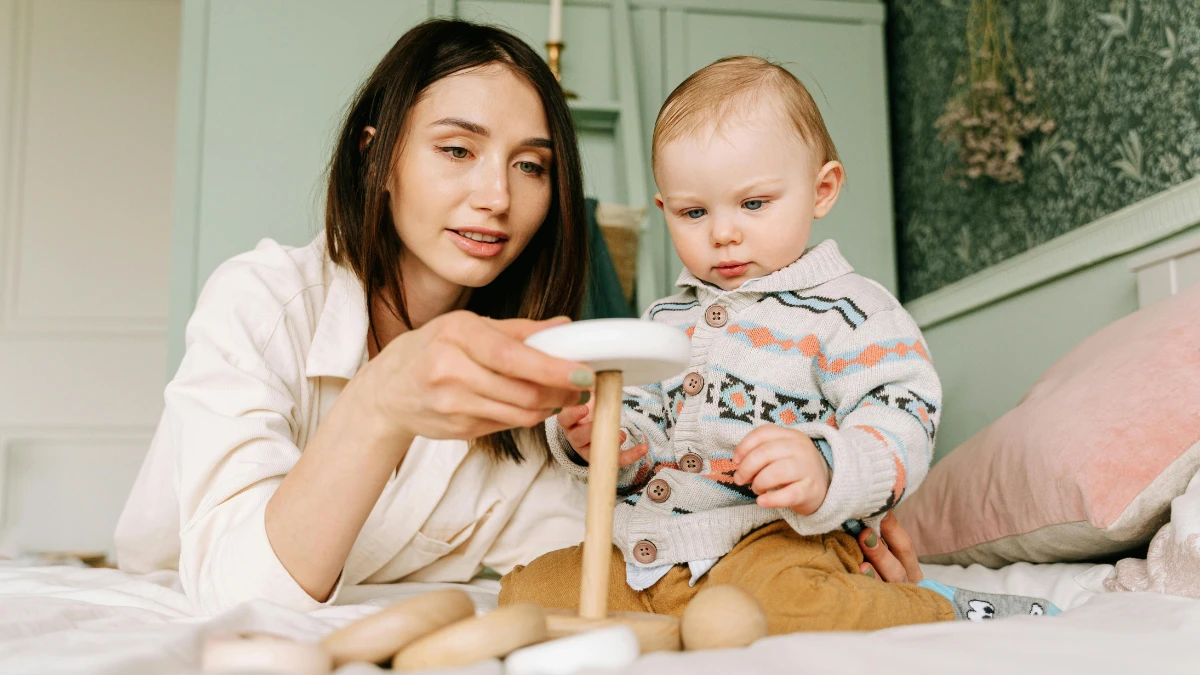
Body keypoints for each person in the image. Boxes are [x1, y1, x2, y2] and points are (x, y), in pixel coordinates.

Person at [113, 19, 931, 616]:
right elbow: (240, 596)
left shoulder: (544, 371)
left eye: (531, 165)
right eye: (457, 149)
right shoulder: (262, 301)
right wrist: (381, 401)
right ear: (377, 156)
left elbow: (633, 536)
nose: (497, 196)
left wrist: (828, 515)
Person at [499, 56, 1059, 629]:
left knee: (785, 602)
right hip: (656, 549)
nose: (723, 233)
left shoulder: (853, 312)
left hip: (780, 541)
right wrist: (607, 441)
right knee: (528, 591)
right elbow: (641, 438)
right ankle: (685, 621)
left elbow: (905, 415)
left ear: (822, 190)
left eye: (754, 204)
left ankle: (945, 607)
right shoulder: (664, 319)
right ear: (666, 210)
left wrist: (824, 464)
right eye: (694, 212)